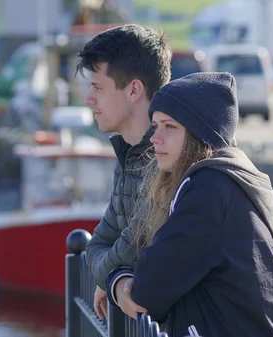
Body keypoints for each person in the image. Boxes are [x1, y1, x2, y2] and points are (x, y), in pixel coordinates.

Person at [105, 72, 273, 336]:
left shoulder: (209, 190)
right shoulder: (226, 181)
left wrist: (118, 281)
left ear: (200, 136)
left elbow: (148, 292)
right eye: (155, 126)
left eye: (170, 127)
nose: (155, 138)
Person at [75, 24, 172, 320]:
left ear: (133, 90)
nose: (89, 100)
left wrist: (112, 280)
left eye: (98, 88)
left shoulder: (165, 162)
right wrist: (117, 278)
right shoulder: (129, 155)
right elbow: (99, 245)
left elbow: (122, 251)